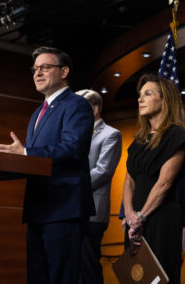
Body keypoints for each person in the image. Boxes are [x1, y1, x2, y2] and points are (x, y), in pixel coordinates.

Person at [0, 46, 95, 284]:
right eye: (35, 69)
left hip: (64, 208)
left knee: (61, 277)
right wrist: (17, 158)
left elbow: (72, 148)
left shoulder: (76, 105)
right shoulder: (36, 113)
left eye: (45, 67)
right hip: (38, 207)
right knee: (37, 277)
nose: (37, 73)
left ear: (64, 72)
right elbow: (34, 160)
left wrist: (26, 152)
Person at [123, 74, 185, 284]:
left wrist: (141, 217)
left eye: (147, 94)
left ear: (165, 100)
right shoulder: (139, 139)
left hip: (160, 217)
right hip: (135, 220)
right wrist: (129, 215)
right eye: (139, 95)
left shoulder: (177, 135)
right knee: (136, 277)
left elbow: (164, 183)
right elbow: (129, 181)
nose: (140, 99)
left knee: (158, 277)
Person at [76, 89, 122, 284]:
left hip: (92, 212)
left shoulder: (111, 134)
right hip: (70, 210)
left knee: (88, 267)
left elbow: (103, 171)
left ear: (94, 109)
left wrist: (71, 185)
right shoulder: (74, 134)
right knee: (73, 267)